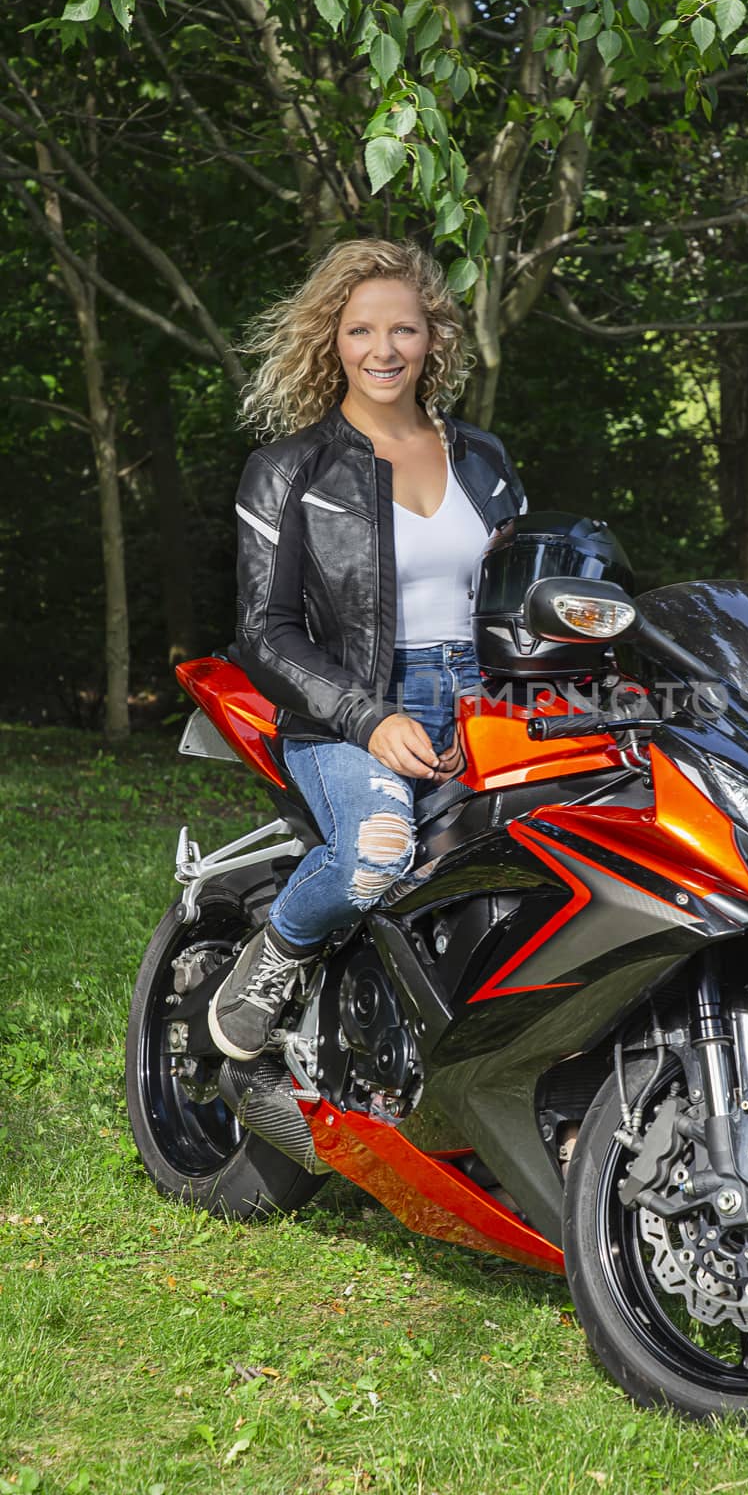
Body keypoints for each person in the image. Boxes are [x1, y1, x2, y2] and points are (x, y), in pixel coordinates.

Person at [207, 239, 527, 1062]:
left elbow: (520, 594)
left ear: (434, 340)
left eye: (404, 331)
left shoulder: (485, 459)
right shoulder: (288, 469)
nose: (383, 351)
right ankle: (276, 951)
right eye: (360, 331)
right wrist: (367, 715)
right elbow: (261, 632)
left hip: (485, 699)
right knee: (377, 855)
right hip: (345, 703)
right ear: (331, 341)